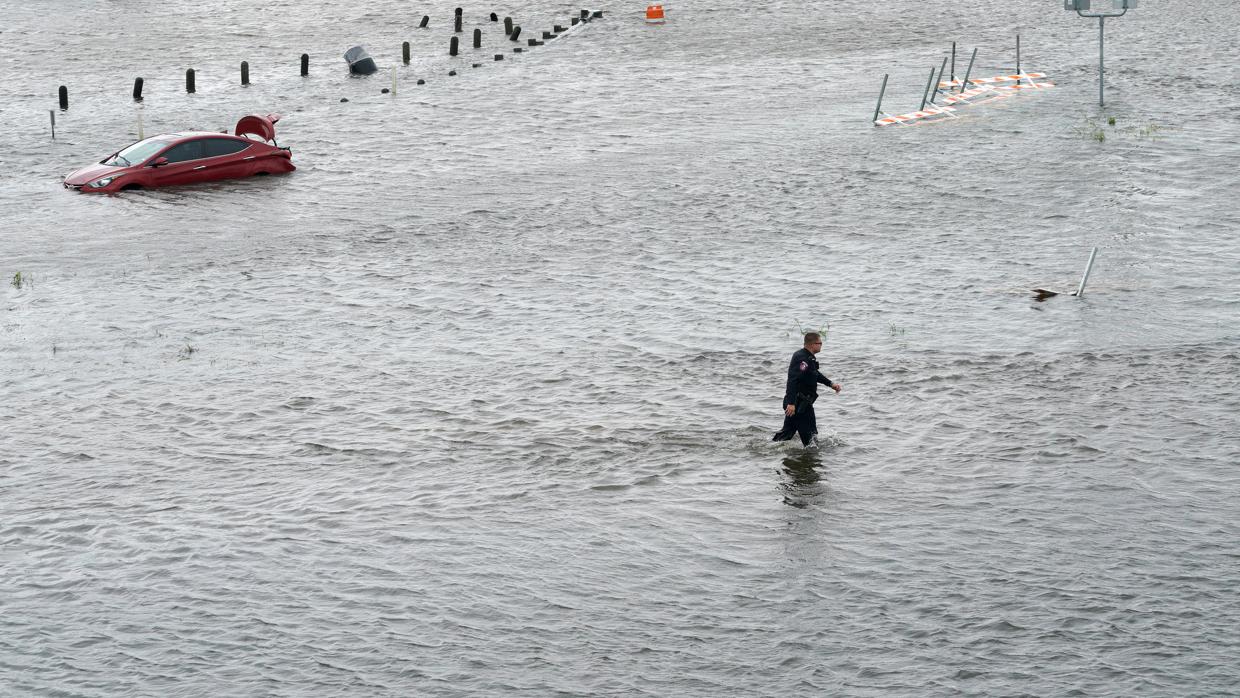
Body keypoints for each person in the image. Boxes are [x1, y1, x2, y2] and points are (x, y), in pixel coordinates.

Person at [773, 332, 840, 447]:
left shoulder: (809, 358)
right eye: (820, 343)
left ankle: (767, 450)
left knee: (787, 433)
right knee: (810, 440)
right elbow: (793, 380)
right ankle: (811, 460)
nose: (821, 346)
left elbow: (815, 374)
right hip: (798, 404)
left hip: (803, 403)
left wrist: (830, 384)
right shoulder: (801, 358)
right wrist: (791, 403)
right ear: (812, 344)